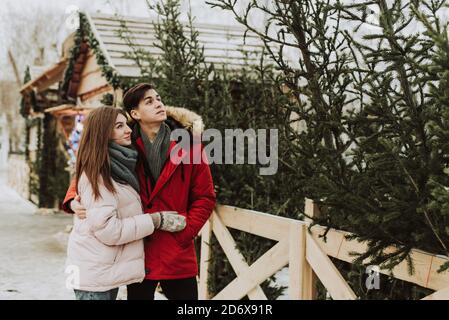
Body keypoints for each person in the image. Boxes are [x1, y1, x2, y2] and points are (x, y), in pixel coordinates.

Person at [63, 84, 216, 300]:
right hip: (138, 251)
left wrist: (185, 233)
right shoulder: (124, 143)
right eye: (149, 101)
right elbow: (89, 171)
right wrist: (72, 199)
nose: (159, 104)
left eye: (159, 98)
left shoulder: (191, 146)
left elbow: (205, 196)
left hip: (177, 251)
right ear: (135, 113)